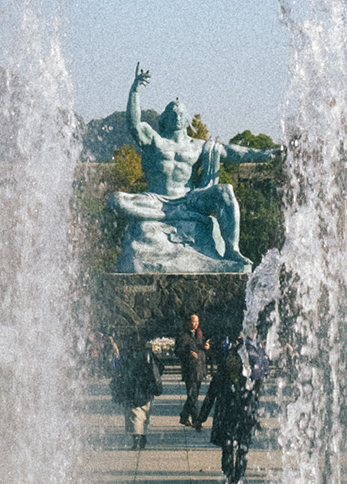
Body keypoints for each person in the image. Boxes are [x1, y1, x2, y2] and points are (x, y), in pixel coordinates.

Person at [108, 65, 279, 269]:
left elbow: (232, 152)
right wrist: (135, 90)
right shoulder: (154, 140)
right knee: (116, 200)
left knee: (226, 191)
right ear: (164, 118)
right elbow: (134, 124)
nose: (177, 117)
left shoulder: (198, 147)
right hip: (155, 199)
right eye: (172, 113)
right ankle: (171, 214)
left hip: (189, 200)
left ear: (188, 120)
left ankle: (232, 250)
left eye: (181, 114)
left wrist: (263, 154)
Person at [197, 339, 261, 484]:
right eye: (229, 359)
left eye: (236, 359)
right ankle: (228, 476)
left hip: (244, 419)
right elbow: (210, 398)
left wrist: (255, 419)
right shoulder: (220, 378)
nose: (232, 362)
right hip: (226, 418)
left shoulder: (248, 379)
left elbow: (254, 401)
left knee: (242, 451)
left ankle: (237, 478)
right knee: (227, 450)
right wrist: (201, 418)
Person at [109, 334, 162, 450]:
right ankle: (142, 436)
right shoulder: (148, 353)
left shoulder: (126, 354)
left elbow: (118, 370)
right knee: (144, 414)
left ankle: (137, 439)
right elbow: (160, 367)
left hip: (131, 388)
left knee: (134, 415)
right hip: (146, 388)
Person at [175, 313, 210, 427]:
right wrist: (188, 353)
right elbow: (177, 351)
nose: (195, 324)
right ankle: (196, 420)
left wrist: (206, 347)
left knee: (193, 395)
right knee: (193, 396)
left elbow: (201, 347)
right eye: (193, 321)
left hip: (199, 369)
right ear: (188, 322)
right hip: (190, 370)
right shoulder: (183, 335)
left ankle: (184, 416)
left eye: (197, 322)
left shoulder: (199, 334)